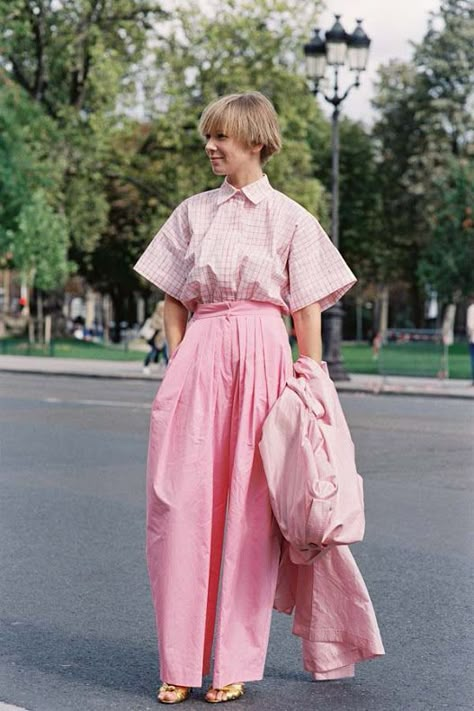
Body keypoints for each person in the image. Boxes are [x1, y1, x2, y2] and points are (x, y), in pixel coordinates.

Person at [133, 91, 357, 704]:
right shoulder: (192, 213)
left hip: (264, 356)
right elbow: (173, 296)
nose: (210, 146)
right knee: (179, 508)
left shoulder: (290, 218)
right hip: (201, 356)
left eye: (222, 137)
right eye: (208, 136)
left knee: (250, 516)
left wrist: (309, 381)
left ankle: (231, 661)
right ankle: (179, 663)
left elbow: (306, 310)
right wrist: (180, 361)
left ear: (255, 142)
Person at [141, 301, 168, 375]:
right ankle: (146, 366)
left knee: (166, 354)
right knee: (153, 353)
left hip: (165, 339)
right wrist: (161, 326)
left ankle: (168, 368)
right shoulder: (156, 316)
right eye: (162, 308)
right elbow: (154, 326)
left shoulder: (166, 315)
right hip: (156, 339)